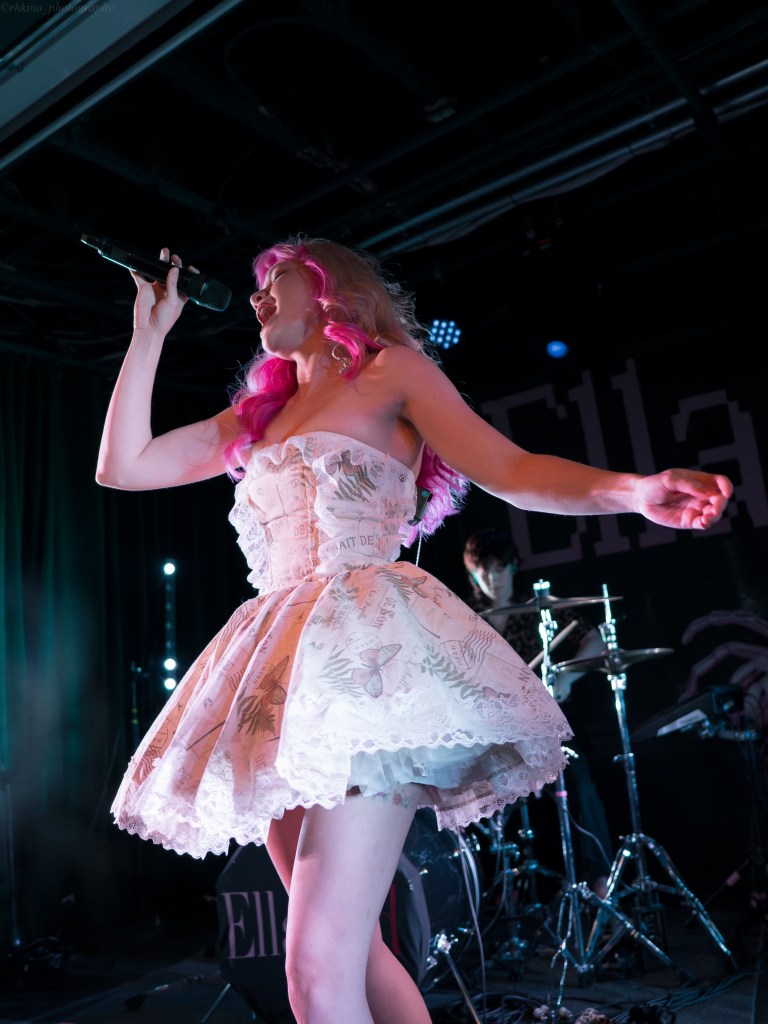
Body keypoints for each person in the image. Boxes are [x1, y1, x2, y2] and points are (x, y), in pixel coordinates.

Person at [95, 234, 732, 1024]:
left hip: (368, 663)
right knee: (355, 960)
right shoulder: (257, 416)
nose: (257, 296)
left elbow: (512, 470)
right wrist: (149, 331)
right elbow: (123, 466)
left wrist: (633, 490)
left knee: (315, 974)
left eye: (275, 279)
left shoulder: (389, 372)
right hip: (284, 681)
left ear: (326, 288)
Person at [462, 527, 613, 899]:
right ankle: (494, 896)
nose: (493, 578)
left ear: (514, 566)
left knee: (580, 784)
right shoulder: (463, 618)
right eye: (483, 571)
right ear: (472, 573)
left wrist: (566, 678)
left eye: (499, 568)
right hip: (494, 732)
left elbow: (592, 637)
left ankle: (599, 880)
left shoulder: (536, 607)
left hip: (544, 727)